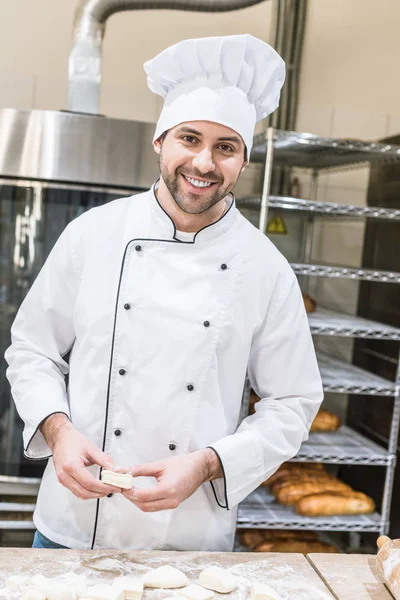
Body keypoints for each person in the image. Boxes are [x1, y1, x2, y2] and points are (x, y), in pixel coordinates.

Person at [4, 34, 323, 551]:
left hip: (188, 532)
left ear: (244, 161)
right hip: (75, 522)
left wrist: (207, 464)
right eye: (189, 139)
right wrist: (60, 434)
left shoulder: (265, 267)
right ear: (160, 141)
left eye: (226, 147)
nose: (202, 163)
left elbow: (293, 403)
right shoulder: (94, 233)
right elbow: (32, 349)